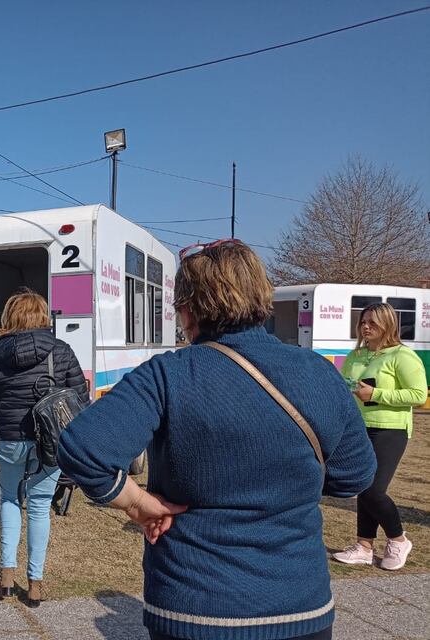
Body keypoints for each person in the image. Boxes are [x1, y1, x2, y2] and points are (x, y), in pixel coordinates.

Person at [57, 240, 377, 640]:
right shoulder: (320, 373)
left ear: (188, 309)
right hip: (300, 606)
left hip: (194, 608)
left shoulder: (167, 375)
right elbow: (354, 477)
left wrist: (138, 504)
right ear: (263, 296)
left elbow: (80, 448)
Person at [0, 289, 88, 607]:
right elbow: (79, 396)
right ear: (43, 316)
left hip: (10, 439)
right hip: (49, 444)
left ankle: (6, 578)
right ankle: (35, 584)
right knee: (39, 507)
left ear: (11, 317)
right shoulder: (62, 350)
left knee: (10, 499)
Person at [333, 302, 427, 570]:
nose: (366, 326)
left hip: (390, 428)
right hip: (359, 427)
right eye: (363, 321)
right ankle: (364, 546)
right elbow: (347, 387)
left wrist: (376, 395)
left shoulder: (402, 356)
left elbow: (419, 395)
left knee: (374, 489)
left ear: (388, 324)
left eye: (373, 322)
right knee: (362, 485)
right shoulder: (356, 356)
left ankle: (398, 539)